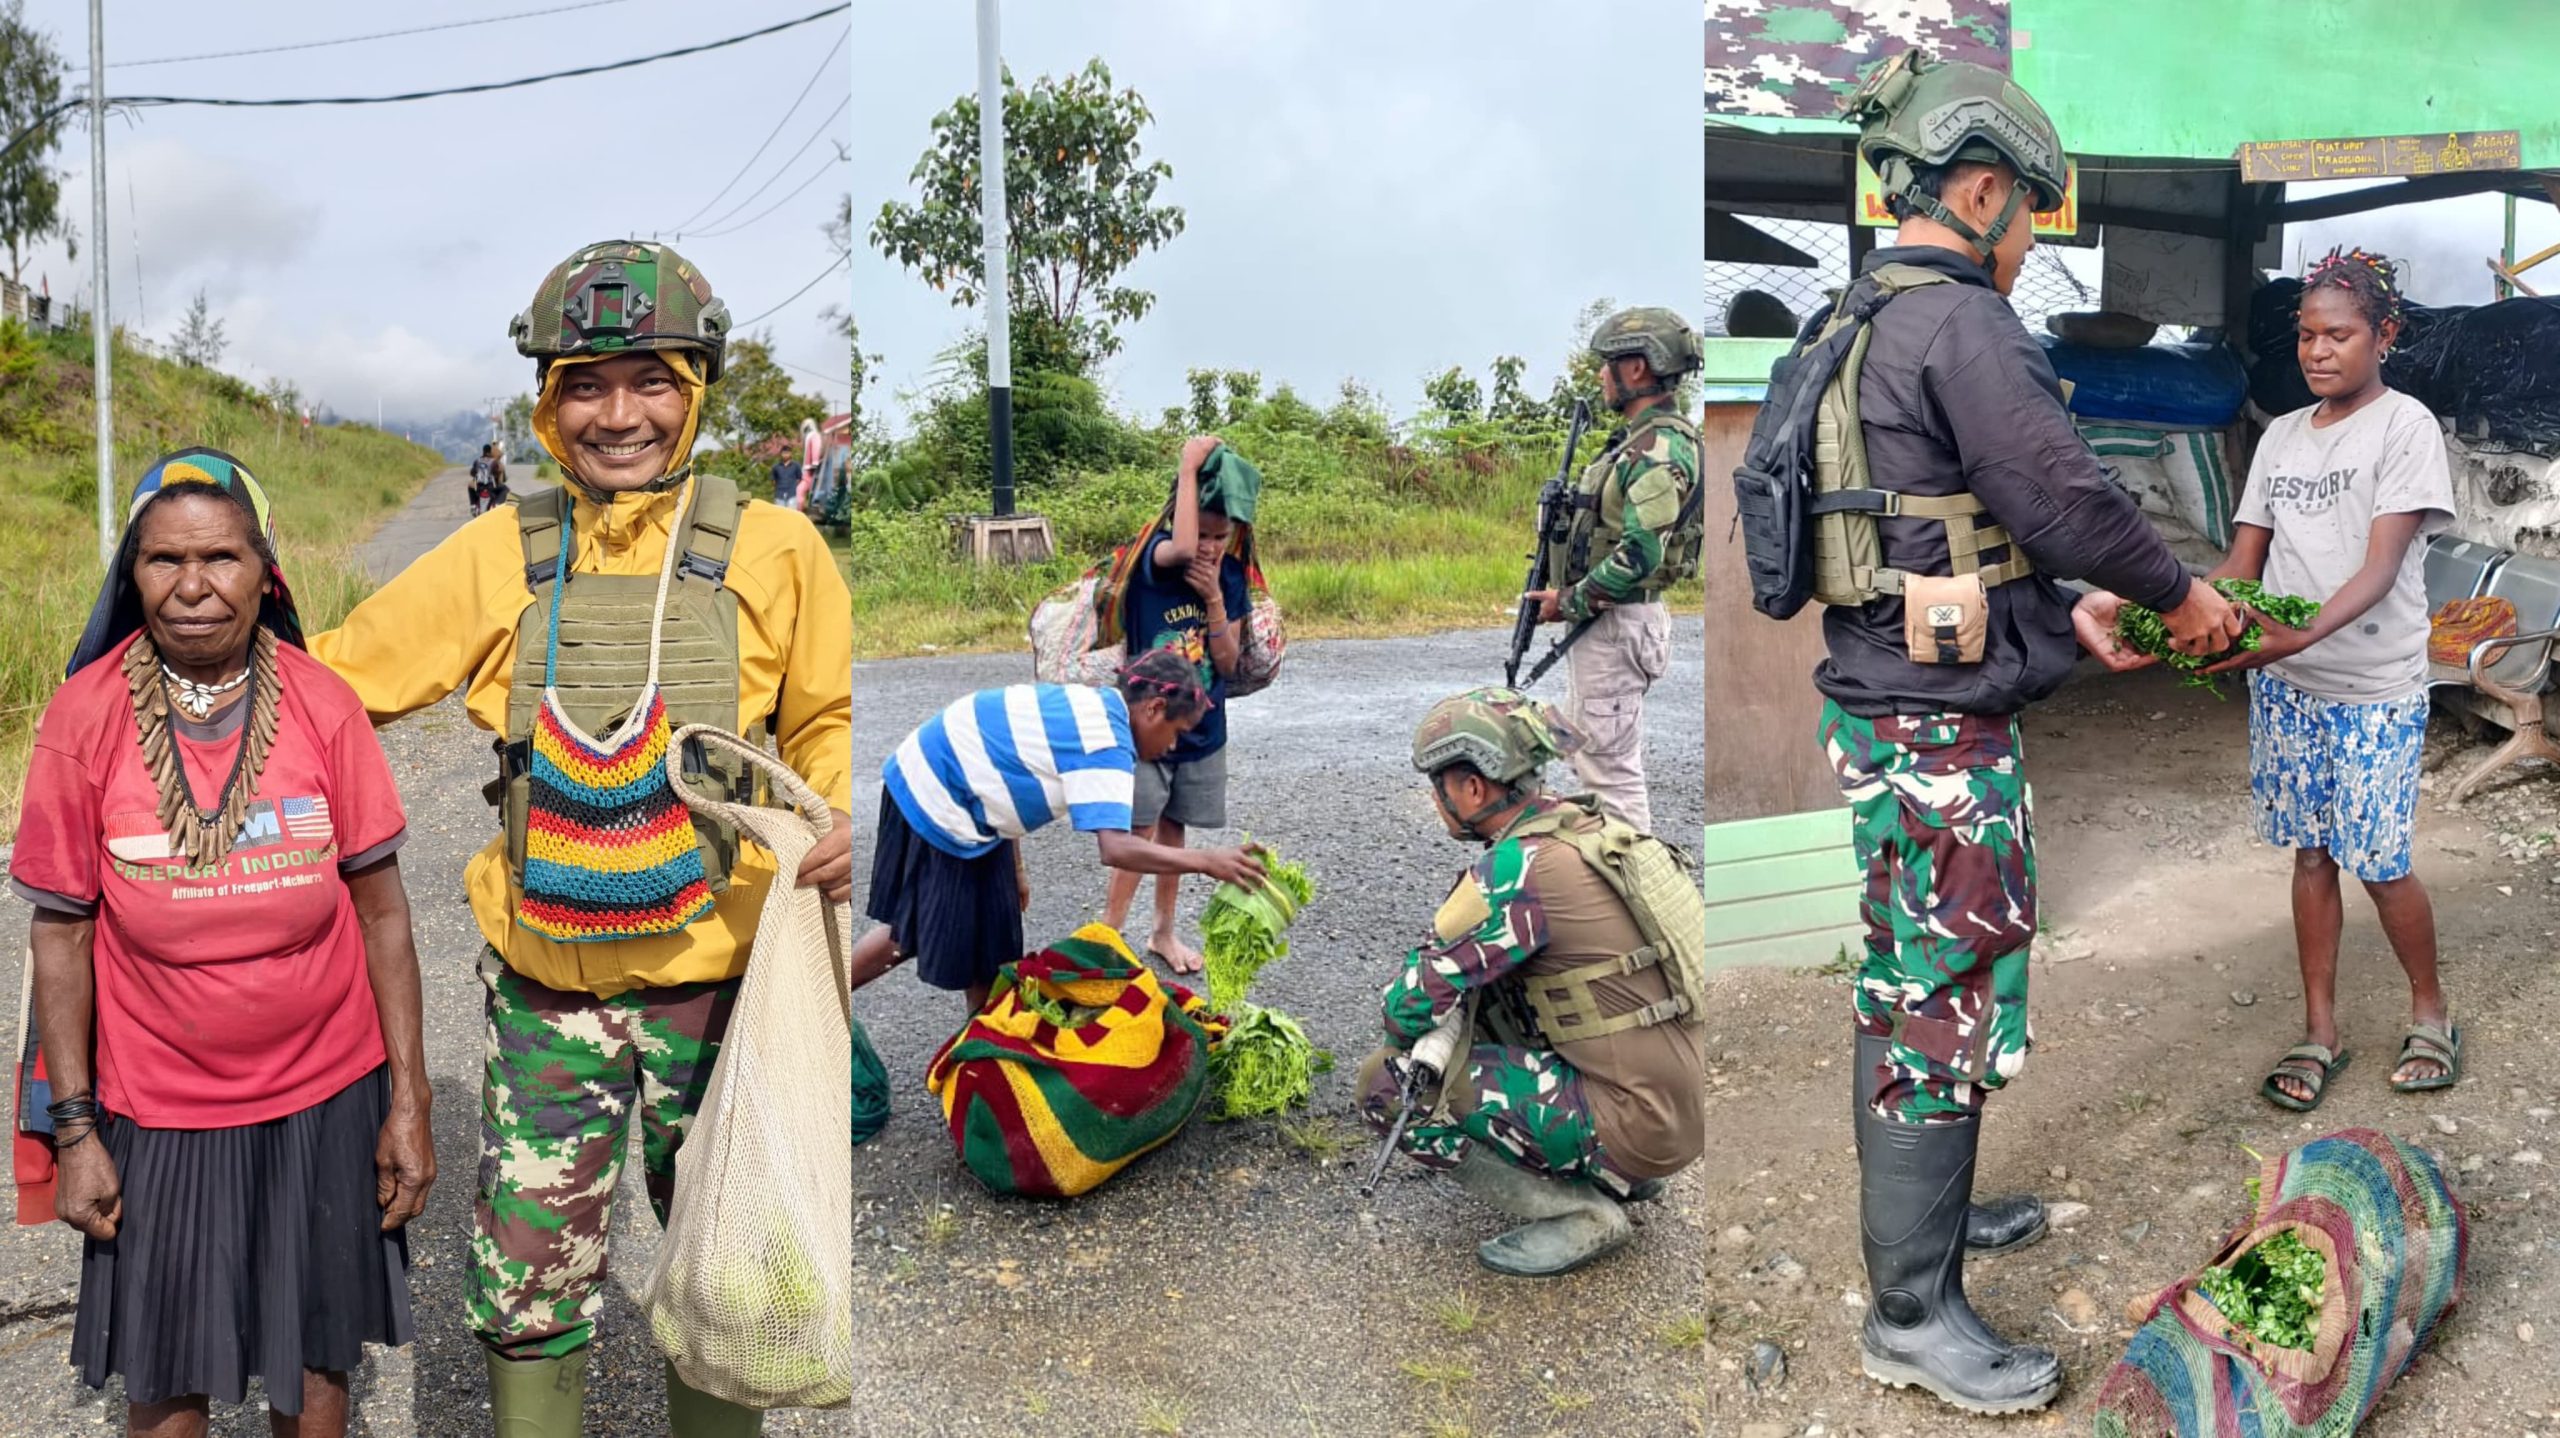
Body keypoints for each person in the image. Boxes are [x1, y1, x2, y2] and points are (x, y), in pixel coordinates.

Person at [304, 240, 853, 1437]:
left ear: (696, 389)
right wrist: (185, 660)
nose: (619, 416)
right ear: (548, 404)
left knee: (733, 1264)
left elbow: (820, 720)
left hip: (722, 990)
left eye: (651, 381)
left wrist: (836, 814)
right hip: (547, 994)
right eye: (585, 386)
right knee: (527, 1285)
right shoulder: (500, 550)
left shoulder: (779, 550)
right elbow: (336, 684)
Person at [1809, 49, 2246, 1415]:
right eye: (2029, 219)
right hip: (1937, 730)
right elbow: (2061, 495)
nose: (2025, 248)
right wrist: (2180, 593)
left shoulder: (1860, 315)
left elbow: (1940, 527)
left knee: (1907, 974)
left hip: (1885, 697)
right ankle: (1911, 1315)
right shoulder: (1963, 323)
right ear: (1983, 189)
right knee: (1944, 982)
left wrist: (2061, 612)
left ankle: (1926, 1236)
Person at [15, 448, 433, 1437]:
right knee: (165, 1366)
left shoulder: (322, 703)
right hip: (157, 1100)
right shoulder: (84, 716)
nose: (192, 586)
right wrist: (75, 1133)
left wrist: (408, 1101)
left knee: (315, 1353)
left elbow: (382, 913)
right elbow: (61, 936)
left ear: (265, 571)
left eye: (221, 558)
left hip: (325, 1092)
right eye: (164, 559)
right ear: (131, 575)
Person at [2082, 248, 2459, 1110]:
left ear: (2385, 335)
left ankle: (2430, 1012)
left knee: (2381, 861)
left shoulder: (2405, 429)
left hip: (2373, 685)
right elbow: (2239, 566)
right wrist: (2161, 619)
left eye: (2340, 335)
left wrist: (2299, 634)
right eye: (2307, 335)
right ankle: (2320, 1029)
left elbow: (2379, 568)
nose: (2318, 351)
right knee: (2312, 853)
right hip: (2289, 688)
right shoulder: (2283, 437)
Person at [1354, 688, 1704, 1277]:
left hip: (1638, 1125)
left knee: (1387, 1085)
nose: (1436, 800)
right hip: (1682, 1106)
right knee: (1501, 1000)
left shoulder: (1518, 869)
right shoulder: (1591, 829)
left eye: (1439, 785)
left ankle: (1581, 1211)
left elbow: (1407, 1007)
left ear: (1473, 788)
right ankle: (1624, 1171)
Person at [852, 648, 1269, 1014]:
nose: (1173, 746)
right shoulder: (1108, 742)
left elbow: (1005, 766)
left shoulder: (1100, 705)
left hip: (964, 788)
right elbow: (1116, 848)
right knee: (911, 932)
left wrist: (1015, 868)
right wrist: (1205, 861)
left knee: (994, 941)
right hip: (936, 791)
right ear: (1154, 708)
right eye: (1176, 733)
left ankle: (982, 1037)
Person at [1522, 306, 1704, 836]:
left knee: (1612, 778)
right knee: (1582, 747)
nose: (1602, 375)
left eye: (1608, 364)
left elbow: (1642, 552)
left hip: (1616, 622)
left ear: (1638, 368)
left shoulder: (1657, 449)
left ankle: (1635, 877)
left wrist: (1569, 601)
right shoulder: (1640, 440)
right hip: (1609, 624)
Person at [1101, 434, 1257, 974]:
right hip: (1147, 728)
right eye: (1203, 533)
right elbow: (1184, 549)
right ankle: (1107, 937)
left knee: (1174, 827)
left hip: (1201, 730)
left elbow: (1229, 662)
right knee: (1138, 830)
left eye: (1220, 536)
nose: (1209, 548)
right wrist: (1188, 466)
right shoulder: (1158, 561)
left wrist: (1213, 597)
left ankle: (1162, 932)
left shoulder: (1230, 578)